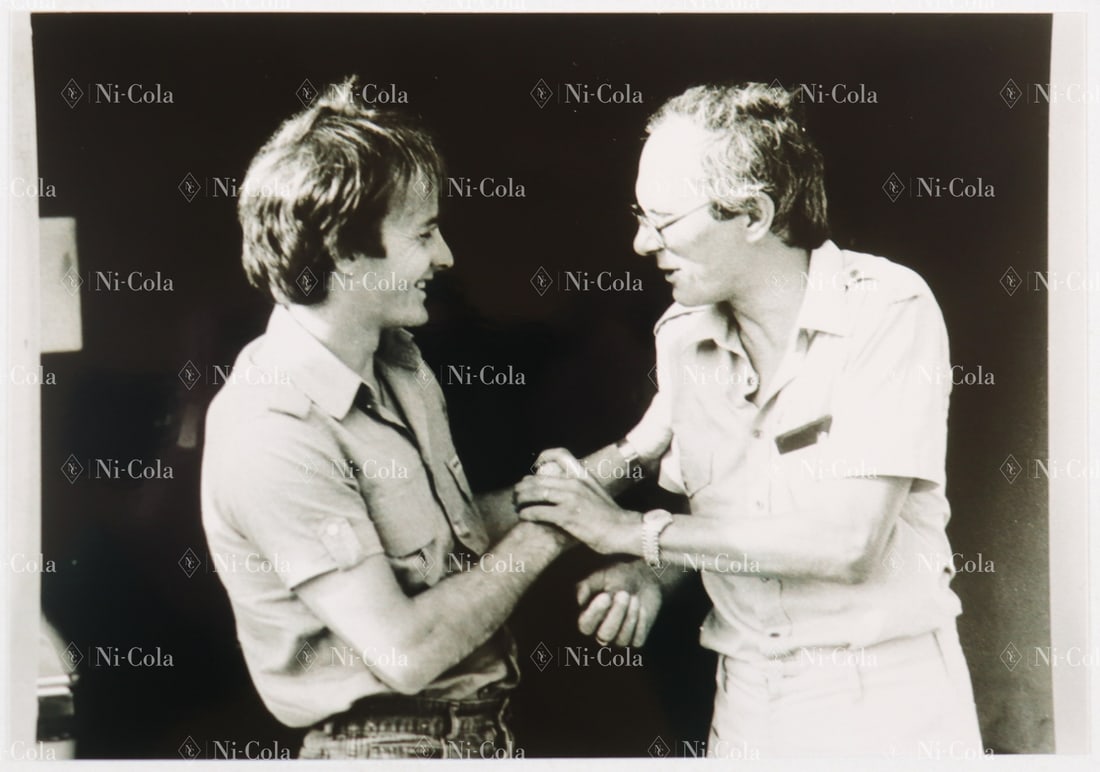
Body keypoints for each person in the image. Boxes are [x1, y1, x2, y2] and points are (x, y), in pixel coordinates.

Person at [515, 82, 984, 759]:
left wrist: (632, 534)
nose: (642, 241)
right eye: (640, 214)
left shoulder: (886, 309)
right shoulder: (681, 337)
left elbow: (846, 545)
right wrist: (653, 576)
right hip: (745, 707)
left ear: (755, 214)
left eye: (665, 219)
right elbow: (730, 526)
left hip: (884, 703)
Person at [200, 79, 572, 760]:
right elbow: (405, 652)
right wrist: (550, 532)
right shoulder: (272, 429)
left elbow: (454, 549)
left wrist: (630, 456)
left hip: (475, 737)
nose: (446, 257)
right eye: (424, 233)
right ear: (343, 249)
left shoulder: (399, 362)